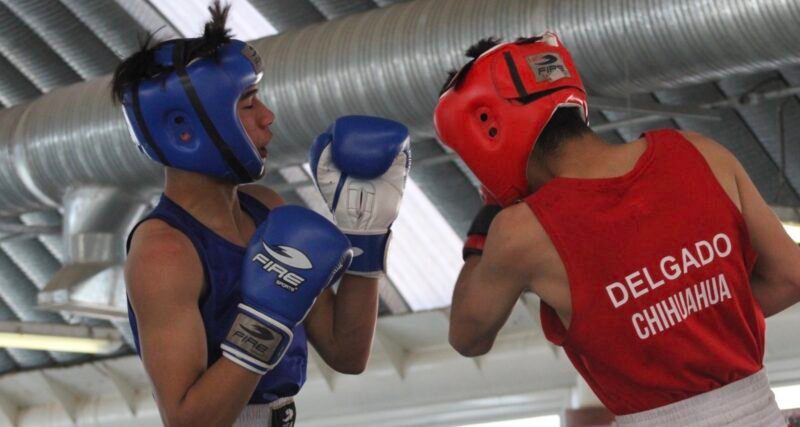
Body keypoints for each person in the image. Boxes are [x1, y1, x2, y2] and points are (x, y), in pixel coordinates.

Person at [435, 32, 799, 426]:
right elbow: (791, 277)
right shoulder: (699, 151)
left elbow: (467, 336)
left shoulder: (521, 230)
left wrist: (485, 223)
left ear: (486, 129)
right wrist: (694, 322)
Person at [112, 3, 410, 426]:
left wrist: (367, 234)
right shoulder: (164, 252)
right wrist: (262, 324)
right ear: (185, 129)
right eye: (248, 105)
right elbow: (188, 421)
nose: (268, 117)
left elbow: (348, 352)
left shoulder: (266, 207)